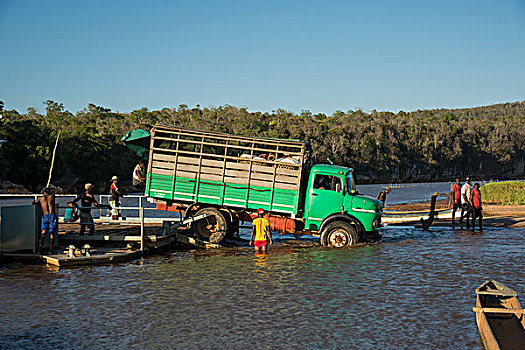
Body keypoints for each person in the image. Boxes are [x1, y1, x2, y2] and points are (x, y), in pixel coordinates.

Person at [32, 186, 60, 254]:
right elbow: (58, 190)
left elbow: (33, 202)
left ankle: (39, 249)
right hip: (52, 216)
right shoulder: (51, 197)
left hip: (45, 216)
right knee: (51, 234)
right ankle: (50, 250)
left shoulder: (40, 199)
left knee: (43, 233)